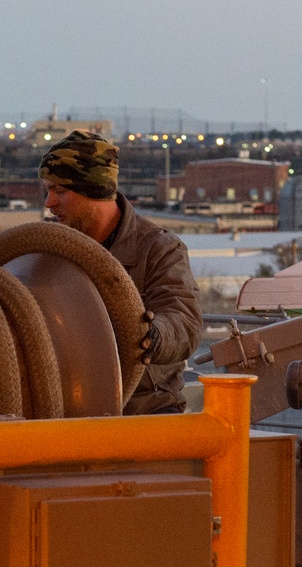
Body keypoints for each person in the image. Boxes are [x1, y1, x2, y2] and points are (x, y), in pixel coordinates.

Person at [39, 130, 201, 415]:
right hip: (70, 409)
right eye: (48, 190)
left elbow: (185, 322)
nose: (49, 203)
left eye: (60, 191)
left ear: (95, 191)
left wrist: (151, 335)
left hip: (144, 411)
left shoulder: (159, 249)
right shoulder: (51, 250)